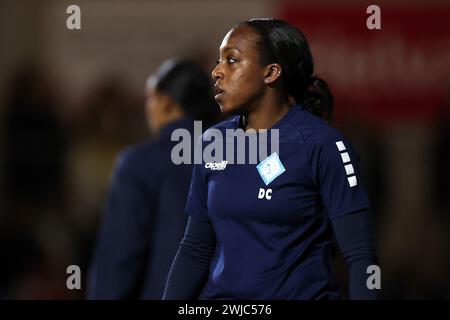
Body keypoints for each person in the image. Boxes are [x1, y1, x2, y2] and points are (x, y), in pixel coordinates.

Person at [163, 18, 380, 300]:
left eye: (231, 60)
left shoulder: (324, 145)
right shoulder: (211, 142)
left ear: (271, 72)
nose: (216, 72)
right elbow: (195, 247)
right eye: (218, 61)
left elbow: (360, 254)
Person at [86, 59, 219, 299]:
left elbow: (120, 255)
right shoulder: (239, 155)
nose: (147, 109)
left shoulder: (139, 163)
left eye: (151, 99)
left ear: (166, 103)